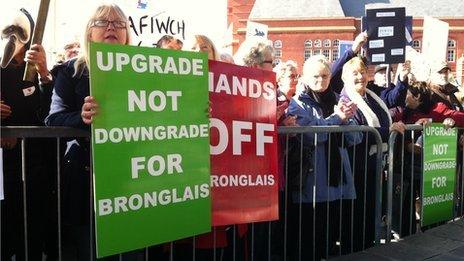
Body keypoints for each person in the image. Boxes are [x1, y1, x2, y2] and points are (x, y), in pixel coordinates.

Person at [45, 4, 133, 260]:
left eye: (118, 24)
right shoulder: (71, 71)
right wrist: (82, 118)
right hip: (86, 180)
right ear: (89, 32)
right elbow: (53, 117)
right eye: (102, 22)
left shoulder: (147, 69)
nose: (111, 28)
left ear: (127, 33)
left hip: (134, 178)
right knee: (91, 249)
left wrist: (198, 111)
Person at [286, 55, 361, 260]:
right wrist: (339, 119)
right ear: (306, 77)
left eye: (325, 76)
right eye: (316, 76)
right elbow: (311, 135)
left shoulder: (340, 100)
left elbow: (357, 137)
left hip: (338, 181)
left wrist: (346, 121)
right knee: (310, 238)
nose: (321, 81)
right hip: (313, 181)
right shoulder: (297, 104)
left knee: (330, 236)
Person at [1, 8, 57, 261]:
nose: (12, 38)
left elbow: (50, 112)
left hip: (35, 162)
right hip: (5, 164)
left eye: (18, 33)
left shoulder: (35, 70)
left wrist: (45, 75)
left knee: (34, 216)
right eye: (8, 32)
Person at [339, 57, 405, 252]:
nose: (360, 77)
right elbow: (361, 132)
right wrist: (388, 131)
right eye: (355, 73)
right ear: (344, 77)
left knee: (372, 208)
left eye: (362, 72)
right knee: (357, 211)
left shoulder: (371, 96)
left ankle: (369, 246)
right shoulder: (345, 99)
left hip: (374, 163)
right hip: (356, 165)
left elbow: (390, 108)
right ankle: (355, 249)